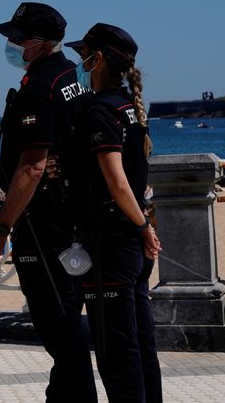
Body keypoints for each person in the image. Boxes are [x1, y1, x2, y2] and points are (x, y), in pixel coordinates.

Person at [0, 2, 96, 401]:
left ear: (42, 44)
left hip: (44, 224)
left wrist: (1, 228)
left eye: (18, 38)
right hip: (72, 215)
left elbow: (32, 168)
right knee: (66, 318)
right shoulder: (74, 76)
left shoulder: (40, 87)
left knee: (57, 322)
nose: (12, 45)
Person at [65, 22, 162, 402]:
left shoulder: (101, 111)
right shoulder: (130, 109)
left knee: (116, 352)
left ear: (98, 58)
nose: (80, 65)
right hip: (131, 247)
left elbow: (118, 183)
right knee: (140, 345)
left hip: (111, 244)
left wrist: (142, 226)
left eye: (83, 57)